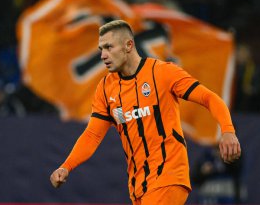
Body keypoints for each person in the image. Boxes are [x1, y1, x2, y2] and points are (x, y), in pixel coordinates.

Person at [50, 20, 241, 205]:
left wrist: (227, 130)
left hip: (169, 175)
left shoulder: (163, 73)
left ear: (129, 45)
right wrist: (66, 166)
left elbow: (210, 98)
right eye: (101, 49)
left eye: (109, 47)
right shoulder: (106, 88)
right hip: (138, 184)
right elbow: (92, 135)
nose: (103, 55)